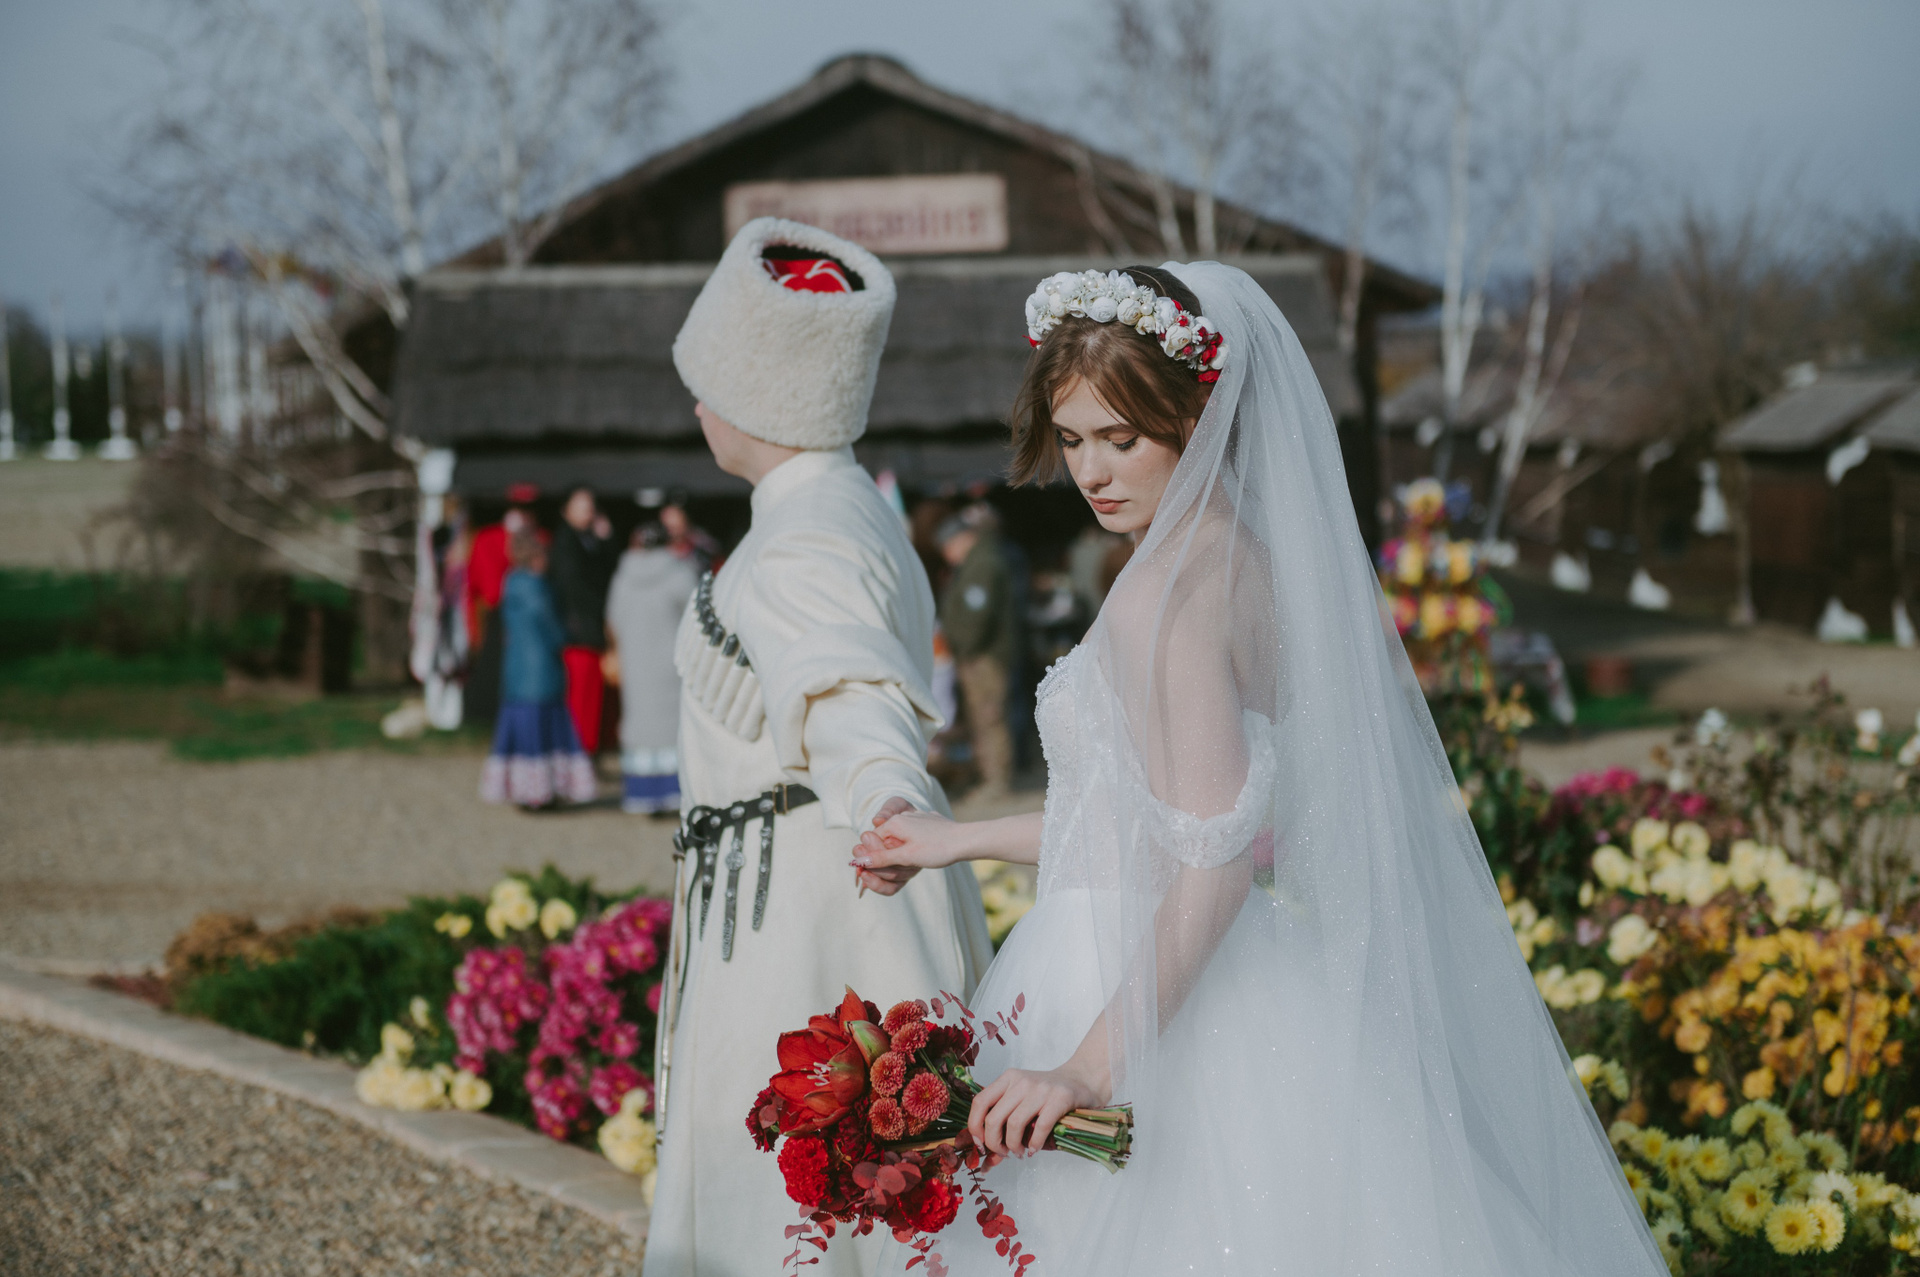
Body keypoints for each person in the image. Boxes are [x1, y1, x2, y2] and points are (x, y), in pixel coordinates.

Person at [853, 264, 1665, 1274]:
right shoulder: (1237, 556)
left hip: (1134, 981)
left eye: (1122, 438)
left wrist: (1084, 1069)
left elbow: (1214, 865)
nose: (1092, 470)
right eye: (1072, 438)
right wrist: (956, 838)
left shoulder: (1169, 594)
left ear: (1197, 417)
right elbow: (1151, 820)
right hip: (1189, 958)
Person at [643, 217, 994, 1277]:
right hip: (806, 883)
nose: (696, 404)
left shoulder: (810, 535)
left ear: (760, 398)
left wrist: (886, 794)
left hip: (813, 908)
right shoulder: (834, 506)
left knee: (804, 1220)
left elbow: (850, 692)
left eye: (709, 383)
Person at [480, 530, 597, 808]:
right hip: (541, 672)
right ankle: (542, 793)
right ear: (535, 557)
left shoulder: (511, 585)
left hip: (516, 674)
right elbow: (552, 629)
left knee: (524, 739)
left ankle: (526, 791)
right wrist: (568, 635)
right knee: (545, 736)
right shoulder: (538, 589)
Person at [604, 522, 699, 814]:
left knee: (639, 724)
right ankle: (675, 793)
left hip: (635, 663)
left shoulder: (622, 576)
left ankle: (643, 794)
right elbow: (697, 615)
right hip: (671, 663)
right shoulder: (680, 573)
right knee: (673, 725)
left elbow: (613, 620)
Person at [937, 505, 1018, 799]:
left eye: (947, 547)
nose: (947, 555)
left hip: (984, 656)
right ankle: (989, 777)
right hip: (978, 655)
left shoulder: (982, 564)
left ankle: (996, 781)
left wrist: (962, 647)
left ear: (962, 539)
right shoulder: (977, 561)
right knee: (982, 718)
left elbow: (976, 616)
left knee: (989, 717)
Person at [547, 486, 618, 756]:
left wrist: (606, 541)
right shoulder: (566, 542)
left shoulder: (586, 540)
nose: (588, 511)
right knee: (581, 701)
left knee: (591, 701)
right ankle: (580, 755)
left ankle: (586, 753)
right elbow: (578, 587)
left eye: (590, 505)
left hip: (586, 631)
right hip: (578, 633)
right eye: (582, 505)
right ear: (566, 509)